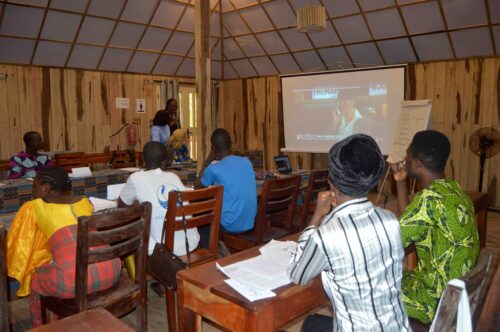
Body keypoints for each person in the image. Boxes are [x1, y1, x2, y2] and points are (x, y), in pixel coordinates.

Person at [288, 134, 410, 332]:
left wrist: (317, 216)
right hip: (396, 327)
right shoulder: (390, 220)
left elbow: (298, 275)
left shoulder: (326, 235)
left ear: (332, 181)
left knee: (310, 324)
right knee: (315, 323)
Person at [6, 166, 121, 327]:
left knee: (35, 277)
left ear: (45, 187)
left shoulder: (32, 207)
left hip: (71, 281)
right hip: (112, 269)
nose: (32, 191)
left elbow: (19, 250)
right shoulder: (84, 201)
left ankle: (45, 327)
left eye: (35, 186)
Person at [391, 130, 479, 324]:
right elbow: (412, 222)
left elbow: (391, 243)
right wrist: (401, 183)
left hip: (437, 301)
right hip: (457, 295)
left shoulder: (430, 198)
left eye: (408, 153)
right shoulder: (454, 191)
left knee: (368, 290)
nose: (405, 157)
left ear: (417, 162)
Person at [119, 141, 199, 257]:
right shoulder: (174, 177)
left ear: (142, 158)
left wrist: (138, 206)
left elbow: (122, 206)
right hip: (190, 243)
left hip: (162, 251)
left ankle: (137, 272)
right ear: (164, 161)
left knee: (133, 232)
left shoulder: (136, 178)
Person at [196, 128, 256, 246]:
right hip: (250, 223)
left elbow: (197, 188)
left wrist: (206, 161)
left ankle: (213, 257)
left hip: (230, 225)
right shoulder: (246, 161)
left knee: (200, 226)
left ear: (213, 149)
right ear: (231, 144)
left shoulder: (213, 168)